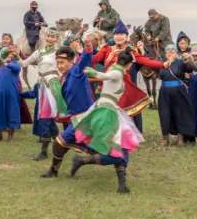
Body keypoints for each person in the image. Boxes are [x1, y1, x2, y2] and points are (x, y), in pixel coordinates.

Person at [69, 48, 145, 192]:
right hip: (107, 112)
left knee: (120, 148)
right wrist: (94, 73)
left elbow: (107, 75)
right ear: (129, 64)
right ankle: (81, 161)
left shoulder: (116, 70)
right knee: (119, 152)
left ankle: (122, 185)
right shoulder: (116, 72)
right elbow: (106, 76)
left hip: (112, 110)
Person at [39, 37, 96, 178]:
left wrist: (88, 48)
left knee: (60, 142)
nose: (59, 66)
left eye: (63, 63)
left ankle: (55, 170)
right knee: (63, 145)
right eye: (58, 63)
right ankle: (54, 169)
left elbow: (86, 60)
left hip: (85, 117)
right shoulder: (63, 77)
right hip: (75, 118)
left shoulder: (77, 70)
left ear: (71, 62)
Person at [92, 21, 152, 133]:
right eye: (117, 34)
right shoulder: (109, 50)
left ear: (126, 37)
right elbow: (97, 58)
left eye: (122, 34)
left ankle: (135, 133)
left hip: (129, 86)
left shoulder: (133, 53)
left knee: (133, 109)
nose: (119, 37)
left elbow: (142, 62)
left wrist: (142, 50)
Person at [135, 42, 197, 146]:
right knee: (164, 114)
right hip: (164, 91)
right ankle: (165, 139)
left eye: (173, 50)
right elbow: (149, 61)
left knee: (179, 113)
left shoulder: (181, 62)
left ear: (176, 53)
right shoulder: (161, 63)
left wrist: (189, 59)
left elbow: (190, 69)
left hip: (179, 91)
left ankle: (180, 139)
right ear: (165, 53)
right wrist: (141, 49)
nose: (170, 52)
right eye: (168, 50)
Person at [20, 26, 64, 159]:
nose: (50, 38)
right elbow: (23, 63)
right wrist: (14, 54)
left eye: (53, 36)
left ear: (56, 38)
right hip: (41, 86)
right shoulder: (39, 52)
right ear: (45, 36)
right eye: (48, 36)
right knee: (48, 119)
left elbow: (64, 68)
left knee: (45, 118)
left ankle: (45, 152)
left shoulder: (58, 52)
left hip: (53, 86)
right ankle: (61, 146)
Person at [0, 47, 23, 141]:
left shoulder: (14, 64)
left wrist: (6, 63)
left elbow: (17, 68)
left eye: (10, 54)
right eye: (5, 54)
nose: (8, 55)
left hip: (12, 94)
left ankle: (11, 135)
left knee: (13, 112)